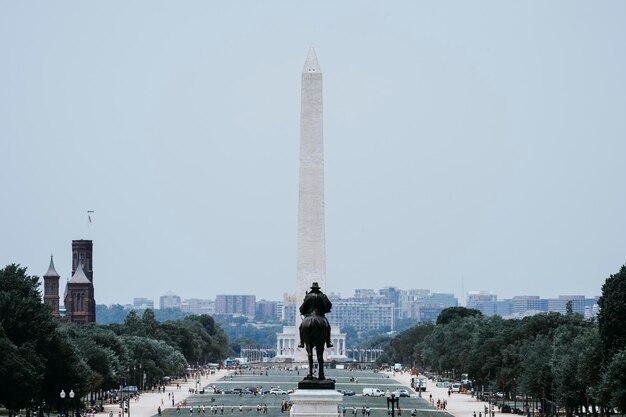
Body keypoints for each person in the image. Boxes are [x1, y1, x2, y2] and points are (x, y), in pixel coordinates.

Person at [297, 282, 333, 348]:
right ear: (318, 289)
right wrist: (325, 310)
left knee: (301, 327)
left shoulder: (308, 296)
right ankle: (328, 342)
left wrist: (303, 311)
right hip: (320, 315)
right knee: (328, 327)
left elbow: (302, 308)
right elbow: (329, 305)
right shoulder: (322, 295)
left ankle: (301, 342)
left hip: (309, 315)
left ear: (312, 289)